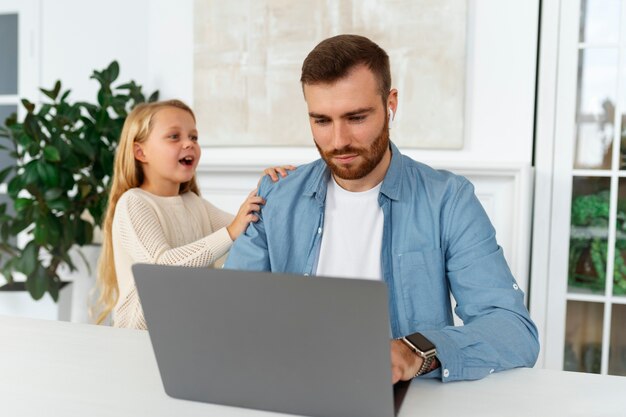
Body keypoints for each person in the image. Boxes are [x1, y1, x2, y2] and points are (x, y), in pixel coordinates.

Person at [224, 34, 539, 383]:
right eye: (322, 121)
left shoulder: (448, 200)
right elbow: (232, 314)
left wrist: (413, 352)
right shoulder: (277, 196)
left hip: (401, 399)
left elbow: (513, 330)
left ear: (391, 104)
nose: (338, 140)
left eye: (356, 118)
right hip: (289, 387)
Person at [94, 99, 292, 329]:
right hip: (140, 339)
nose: (189, 143)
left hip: (185, 332)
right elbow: (160, 268)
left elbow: (249, 227)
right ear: (141, 152)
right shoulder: (134, 203)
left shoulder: (195, 204)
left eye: (194, 137)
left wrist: (268, 187)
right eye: (174, 136)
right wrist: (229, 232)